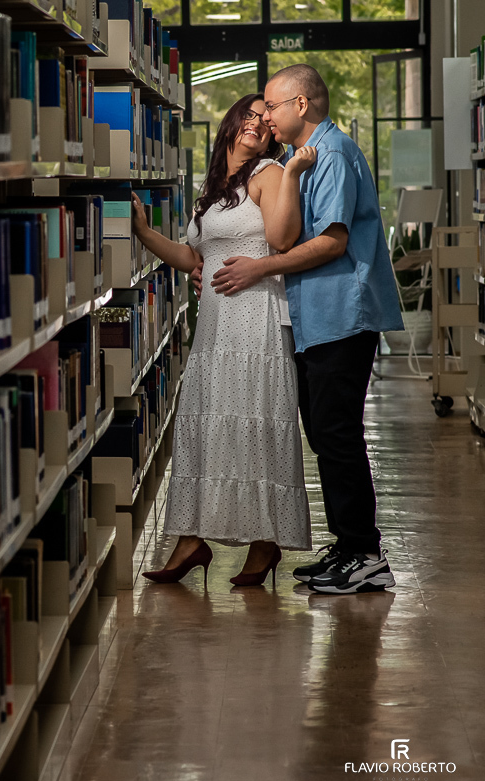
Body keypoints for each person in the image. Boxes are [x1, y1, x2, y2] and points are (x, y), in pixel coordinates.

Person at [212, 64, 405, 594]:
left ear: (301, 105)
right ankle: (347, 546)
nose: (266, 117)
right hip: (321, 316)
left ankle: (365, 553)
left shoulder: (334, 154)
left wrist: (258, 268)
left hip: (344, 313)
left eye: (271, 107)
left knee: (337, 433)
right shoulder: (305, 158)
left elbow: (331, 242)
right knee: (325, 432)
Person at [132, 93, 315, 588]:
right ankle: (192, 539)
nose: (257, 122)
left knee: (255, 423)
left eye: (264, 118)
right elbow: (193, 259)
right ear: (230, 124)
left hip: (256, 321)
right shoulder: (211, 191)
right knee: (207, 427)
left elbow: (281, 239)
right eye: (248, 115)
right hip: (213, 327)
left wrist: (293, 173)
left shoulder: (269, 174)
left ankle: (265, 540)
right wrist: (145, 234)